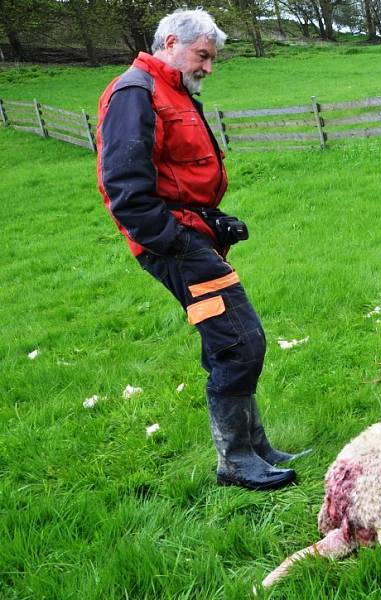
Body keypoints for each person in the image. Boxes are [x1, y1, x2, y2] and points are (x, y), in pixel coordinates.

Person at [96, 9, 307, 492]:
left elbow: (176, 180)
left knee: (230, 341)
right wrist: (176, 239)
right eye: (203, 55)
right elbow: (126, 187)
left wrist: (213, 220)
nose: (209, 67)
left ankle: (256, 449)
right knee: (239, 342)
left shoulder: (172, 91)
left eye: (213, 58)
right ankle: (235, 462)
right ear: (171, 42)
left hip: (191, 234)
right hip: (172, 245)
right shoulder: (136, 92)